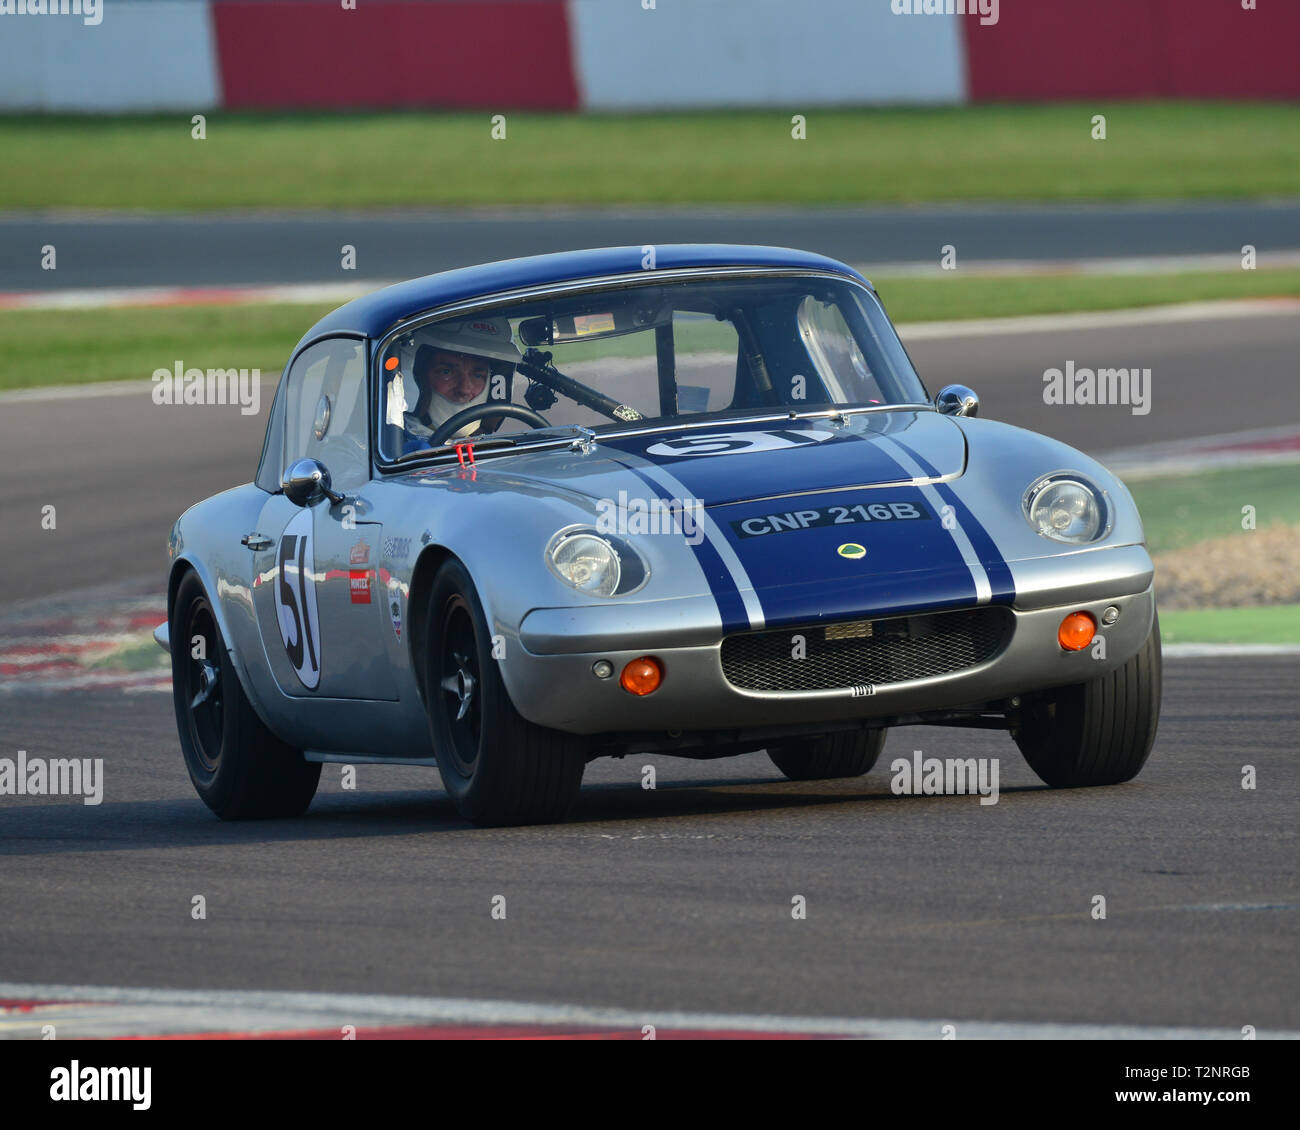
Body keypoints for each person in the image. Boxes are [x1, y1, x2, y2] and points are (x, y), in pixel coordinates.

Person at [401, 317, 521, 453]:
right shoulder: (390, 449)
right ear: (417, 376)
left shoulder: (502, 452)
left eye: (477, 375)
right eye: (446, 372)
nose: (464, 389)